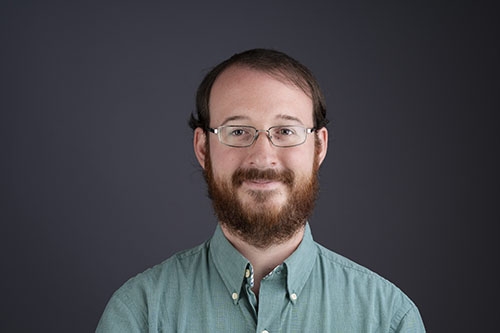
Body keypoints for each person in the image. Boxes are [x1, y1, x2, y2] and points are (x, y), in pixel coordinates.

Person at [96, 48, 425, 332]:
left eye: (284, 130)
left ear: (318, 146)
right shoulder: (140, 315)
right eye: (238, 130)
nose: (263, 156)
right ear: (203, 147)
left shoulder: (388, 319)